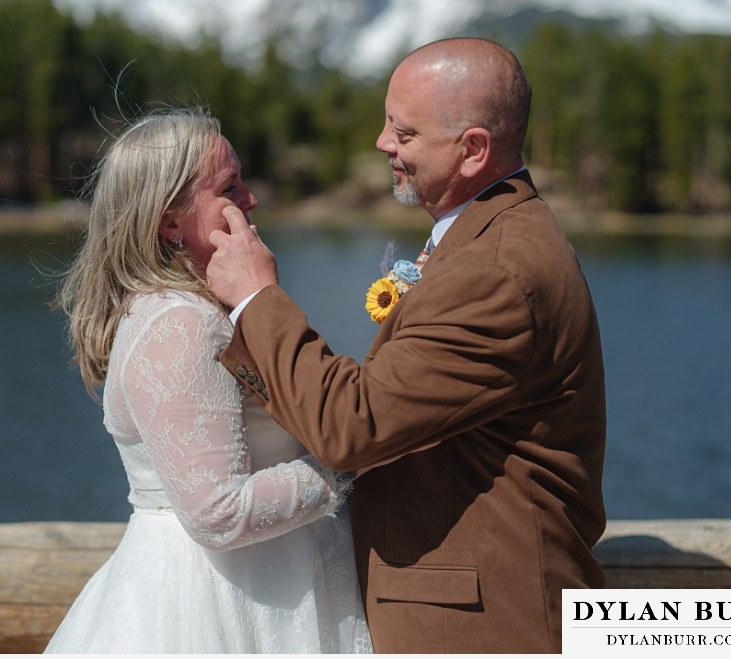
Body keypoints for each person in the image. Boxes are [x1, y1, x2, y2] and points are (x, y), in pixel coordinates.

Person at [206, 37, 608, 653]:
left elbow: (352, 426)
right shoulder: (489, 236)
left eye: (403, 131)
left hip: (486, 627)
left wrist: (257, 299)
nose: (382, 144)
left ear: (473, 150)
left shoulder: (495, 269)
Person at [44, 107, 372, 653]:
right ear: (170, 220)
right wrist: (350, 462)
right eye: (230, 186)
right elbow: (217, 513)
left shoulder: (191, 310)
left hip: (257, 583)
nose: (251, 200)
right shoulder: (182, 323)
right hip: (219, 602)